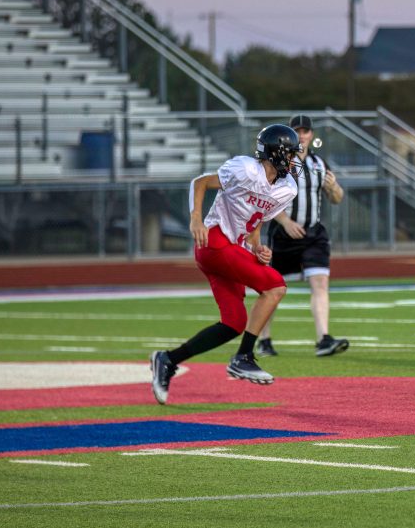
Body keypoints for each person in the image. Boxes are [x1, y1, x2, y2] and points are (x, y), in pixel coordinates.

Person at [149, 124, 302, 405]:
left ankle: (168, 359)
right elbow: (200, 182)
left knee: (234, 322)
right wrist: (196, 219)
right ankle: (243, 356)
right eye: (291, 154)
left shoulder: (286, 188)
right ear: (276, 153)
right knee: (276, 286)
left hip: (232, 248)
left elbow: (255, 222)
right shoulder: (246, 169)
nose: (294, 160)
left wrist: (257, 248)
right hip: (214, 243)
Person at [256, 114, 350, 358]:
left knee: (320, 283)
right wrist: (285, 221)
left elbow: (337, 198)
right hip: (282, 234)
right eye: (297, 131)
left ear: (311, 134)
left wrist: (334, 187)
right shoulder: (279, 163)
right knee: (271, 287)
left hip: (313, 233)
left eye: (305, 131)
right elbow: (265, 197)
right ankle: (263, 339)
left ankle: (323, 339)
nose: (302, 135)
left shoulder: (319, 163)